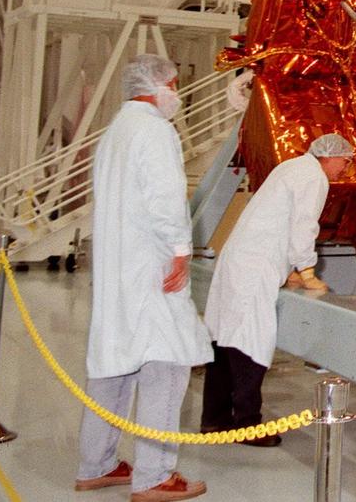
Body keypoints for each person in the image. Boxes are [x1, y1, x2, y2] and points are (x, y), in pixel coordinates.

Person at [77, 54, 210, 502]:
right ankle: (154, 476)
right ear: (157, 87)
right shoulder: (154, 129)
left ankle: (95, 465)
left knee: (114, 367)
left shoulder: (117, 129)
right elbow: (166, 198)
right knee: (166, 368)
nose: (177, 92)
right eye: (174, 83)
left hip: (119, 270)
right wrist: (178, 251)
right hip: (152, 267)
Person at [200, 133, 354, 444]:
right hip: (255, 267)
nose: (345, 168)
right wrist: (307, 269)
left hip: (240, 259)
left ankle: (214, 420)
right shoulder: (313, 177)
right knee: (249, 343)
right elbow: (303, 224)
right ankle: (249, 425)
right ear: (329, 157)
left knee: (224, 339)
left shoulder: (292, 167)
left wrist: (290, 270)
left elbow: (278, 221)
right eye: (345, 161)